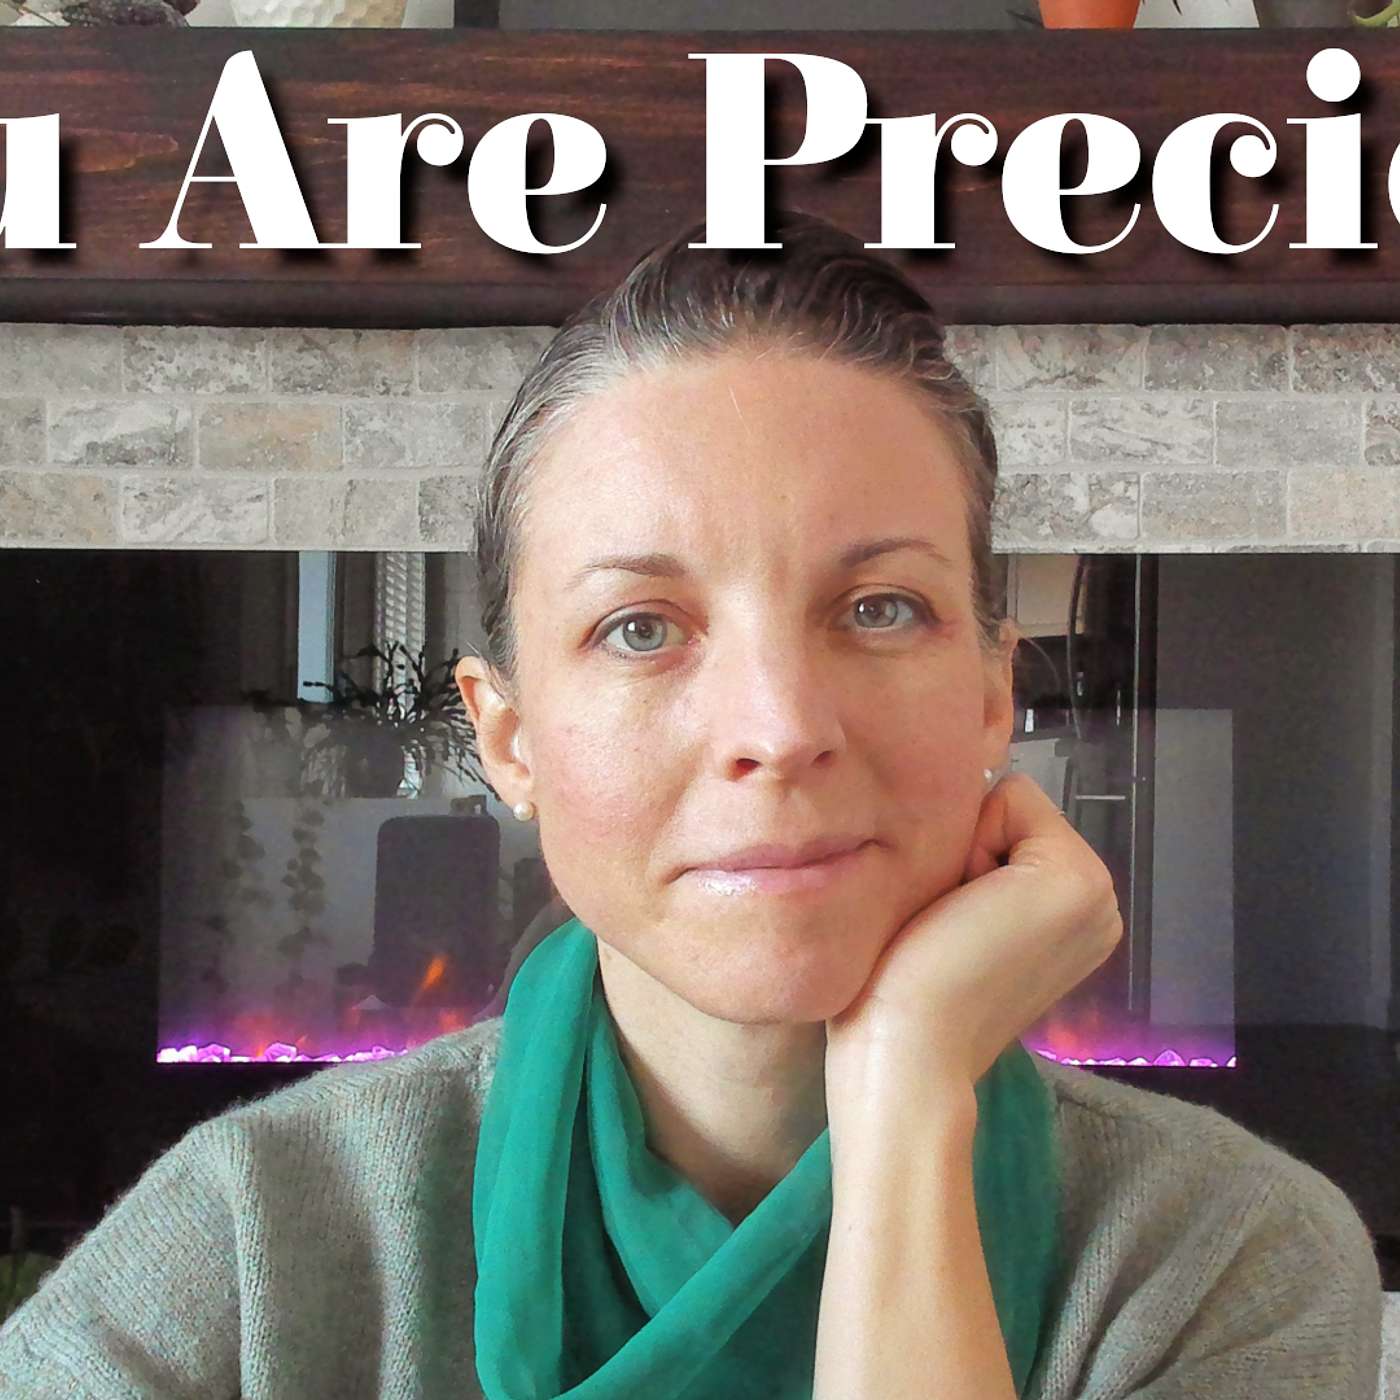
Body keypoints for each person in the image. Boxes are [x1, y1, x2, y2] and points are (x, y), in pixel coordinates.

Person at [0, 212, 1384, 1399]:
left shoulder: (1221, 1258)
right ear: (510, 739)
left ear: (988, 697)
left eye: (880, 609)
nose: (779, 729)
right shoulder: (248, 1245)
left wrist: (906, 1101)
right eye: (641, 629)